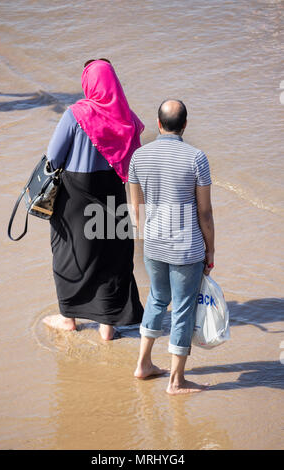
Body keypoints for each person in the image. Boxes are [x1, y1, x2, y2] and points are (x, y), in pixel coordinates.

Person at [43, 59, 145, 340]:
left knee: (69, 254)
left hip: (74, 196)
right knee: (113, 258)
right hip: (112, 192)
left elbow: (53, 156)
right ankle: (107, 328)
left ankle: (69, 320)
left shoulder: (76, 113)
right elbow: (134, 163)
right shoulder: (129, 118)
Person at [128, 99, 214, 394]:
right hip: (186, 249)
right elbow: (204, 212)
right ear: (185, 124)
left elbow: (135, 209)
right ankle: (176, 382)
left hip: (153, 244)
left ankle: (144, 364)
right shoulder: (196, 158)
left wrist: (148, 237)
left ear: (158, 122)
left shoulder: (139, 157)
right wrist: (210, 250)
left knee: (156, 298)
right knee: (183, 309)